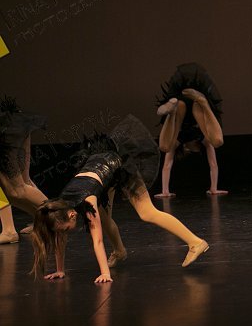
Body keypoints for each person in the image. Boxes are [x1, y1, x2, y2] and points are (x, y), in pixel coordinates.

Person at [31, 115, 209, 283]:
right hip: (99, 171)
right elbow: (59, 237)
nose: (66, 233)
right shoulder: (60, 205)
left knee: (147, 212)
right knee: (104, 218)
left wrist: (105, 273)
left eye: (66, 230)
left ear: (71, 215)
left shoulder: (87, 202)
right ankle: (120, 251)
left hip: (119, 165)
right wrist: (60, 269)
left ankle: (195, 242)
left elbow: (97, 240)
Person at [155, 63, 226, 197]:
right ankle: (203, 103)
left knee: (165, 147)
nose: (189, 150)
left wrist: (165, 191)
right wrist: (213, 188)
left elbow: (167, 166)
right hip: (196, 105)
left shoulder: (180, 140)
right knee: (217, 141)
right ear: (197, 149)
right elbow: (213, 164)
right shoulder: (202, 139)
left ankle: (171, 108)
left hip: (180, 106)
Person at [0, 97, 47, 244]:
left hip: (7, 128)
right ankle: (43, 220)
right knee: (21, 184)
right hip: (13, 123)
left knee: (17, 189)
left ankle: (58, 217)